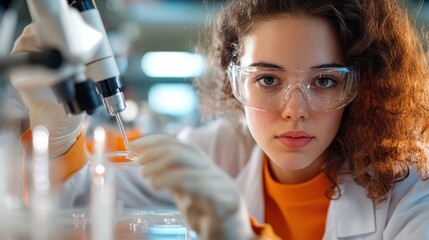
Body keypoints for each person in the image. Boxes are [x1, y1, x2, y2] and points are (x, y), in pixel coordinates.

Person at [9, 0, 429, 239]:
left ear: (362, 83)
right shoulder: (217, 151)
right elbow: (82, 207)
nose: (295, 109)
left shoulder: (412, 193)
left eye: (323, 80)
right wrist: (57, 129)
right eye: (267, 78)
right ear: (234, 82)